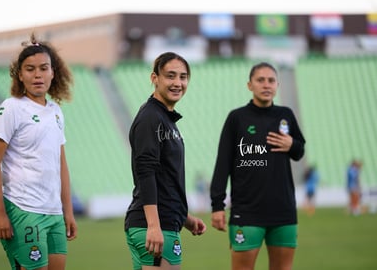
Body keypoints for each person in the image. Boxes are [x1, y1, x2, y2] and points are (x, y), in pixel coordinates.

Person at [0, 33, 77, 270]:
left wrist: (67, 211)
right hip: (23, 209)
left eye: (43, 68)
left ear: (53, 72)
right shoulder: (11, 108)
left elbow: (61, 164)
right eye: (30, 69)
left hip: (53, 212)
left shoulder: (56, 111)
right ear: (20, 75)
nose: (37, 75)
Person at [210, 62, 306, 270]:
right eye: (260, 80)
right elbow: (222, 163)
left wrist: (292, 144)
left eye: (271, 80)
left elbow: (300, 151)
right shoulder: (237, 118)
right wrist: (217, 205)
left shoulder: (286, 115)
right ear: (249, 85)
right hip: (247, 212)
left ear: (277, 85)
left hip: (283, 210)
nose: (266, 85)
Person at [124, 52, 206, 270]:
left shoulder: (165, 118)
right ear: (155, 78)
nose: (178, 83)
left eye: (183, 77)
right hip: (154, 225)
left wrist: (185, 218)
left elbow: (166, 178)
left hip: (164, 221)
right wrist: (154, 225)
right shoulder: (151, 116)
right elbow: (146, 171)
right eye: (170, 76)